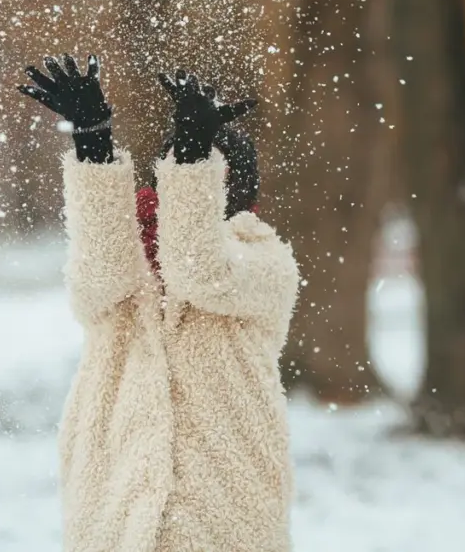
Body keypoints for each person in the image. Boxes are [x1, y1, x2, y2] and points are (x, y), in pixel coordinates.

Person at [18, 53, 300, 552]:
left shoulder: (265, 262)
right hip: (114, 504)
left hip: (225, 511)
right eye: (185, 169)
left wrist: (193, 151)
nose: (200, 187)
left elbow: (199, 270)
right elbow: (97, 280)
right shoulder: (125, 261)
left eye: (211, 176)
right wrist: (94, 140)